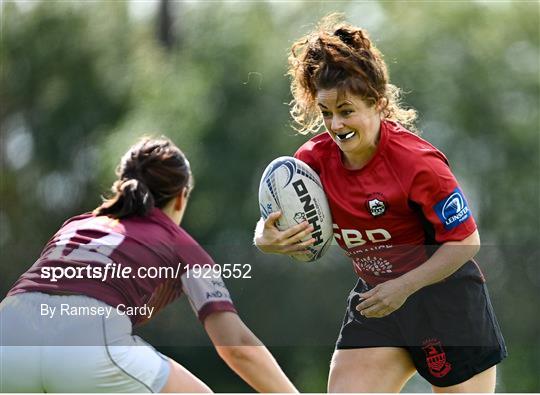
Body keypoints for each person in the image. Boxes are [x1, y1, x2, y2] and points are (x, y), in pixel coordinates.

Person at [254, 14, 506, 393]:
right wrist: (265, 238)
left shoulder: (418, 163)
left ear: (377, 103)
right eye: (326, 113)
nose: (336, 125)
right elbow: (270, 224)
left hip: (446, 301)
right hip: (377, 301)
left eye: (346, 111)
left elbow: (466, 242)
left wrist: (404, 286)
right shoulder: (310, 163)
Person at [0, 137, 298, 393]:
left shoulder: (75, 225)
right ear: (181, 198)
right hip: (86, 340)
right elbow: (236, 345)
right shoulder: (179, 242)